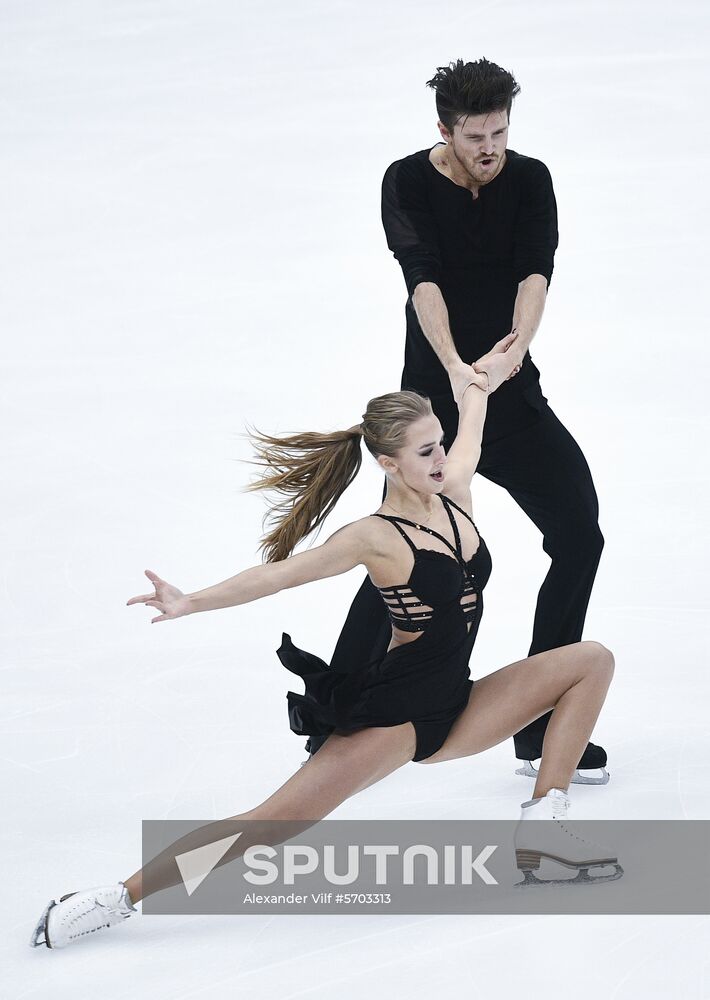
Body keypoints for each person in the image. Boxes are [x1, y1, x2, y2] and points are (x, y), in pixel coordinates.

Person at [29, 333, 618, 951]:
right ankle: (115, 899)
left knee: (591, 661)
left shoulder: (456, 491)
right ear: (389, 464)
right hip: (395, 719)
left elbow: (472, 418)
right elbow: (280, 574)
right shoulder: (374, 537)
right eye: (425, 452)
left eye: (439, 444)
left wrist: (480, 382)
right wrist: (191, 600)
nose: (440, 459)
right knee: (272, 825)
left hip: (460, 704)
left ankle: (543, 832)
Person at [321, 57, 608, 784]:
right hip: (429, 413)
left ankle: (537, 720)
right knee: (410, 557)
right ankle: (340, 704)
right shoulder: (407, 181)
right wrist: (452, 365)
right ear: (443, 131)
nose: (491, 148)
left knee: (579, 535)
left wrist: (513, 355)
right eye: (476, 135)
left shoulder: (530, 178)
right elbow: (422, 281)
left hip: (512, 396)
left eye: (501, 133)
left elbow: (534, 274)